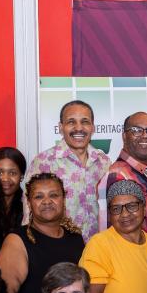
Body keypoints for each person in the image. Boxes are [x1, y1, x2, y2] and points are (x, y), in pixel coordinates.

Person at [0, 173, 85, 293]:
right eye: (38, 196)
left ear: (64, 199)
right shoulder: (17, 241)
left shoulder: (75, 238)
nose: (47, 201)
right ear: (29, 203)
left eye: (54, 195)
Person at [27, 99, 114, 240]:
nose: (78, 128)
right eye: (71, 122)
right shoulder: (44, 162)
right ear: (61, 128)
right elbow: (29, 211)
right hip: (57, 248)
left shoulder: (104, 162)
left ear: (93, 127)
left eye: (85, 122)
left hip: (97, 251)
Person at [97, 111, 147, 237]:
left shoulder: (145, 172)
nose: (146, 135)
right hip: (134, 255)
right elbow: (113, 234)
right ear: (124, 136)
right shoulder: (119, 176)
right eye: (137, 130)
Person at [0, 147, 26, 233]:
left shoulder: (28, 207)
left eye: (12, 173)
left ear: (22, 176)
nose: (5, 179)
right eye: (0, 173)